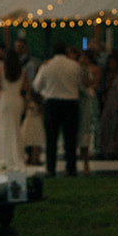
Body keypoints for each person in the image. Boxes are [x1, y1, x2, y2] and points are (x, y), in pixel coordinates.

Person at [33, 42, 83, 177]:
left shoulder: (47, 66)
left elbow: (37, 86)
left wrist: (47, 90)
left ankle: (51, 168)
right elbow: (80, 84)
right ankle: (71, 167)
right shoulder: (74, 66)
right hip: (71, 103)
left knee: (51, 138)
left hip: (52, 102)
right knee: (70, 138)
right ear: (66, 51)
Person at [0, 44, 28, 171]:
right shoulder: (22, 71)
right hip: (17, 100)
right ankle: (17, 156)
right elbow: (26, 88)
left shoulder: (0, 69)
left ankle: (4, 157)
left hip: (5, 99)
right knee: (16, 128)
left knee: (4, 129)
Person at [97, 51, 118, 161]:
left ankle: (116, 148)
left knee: (117, 125)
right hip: (109, 100)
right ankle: (105, 148)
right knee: (106, 124)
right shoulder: (107, 74)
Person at [77, 49, 101, 174]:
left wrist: (90, 87)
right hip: (81, 98)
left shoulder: (93, 69)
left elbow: (95, 83)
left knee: (93, 121)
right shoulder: (78, 69)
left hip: (89, 96)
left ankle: (94, 146)